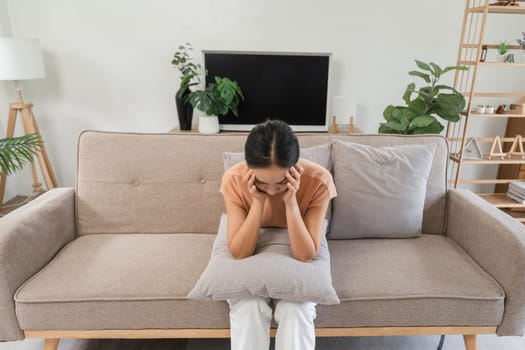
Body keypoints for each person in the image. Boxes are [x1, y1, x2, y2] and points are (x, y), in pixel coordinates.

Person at [219, 119, 337, 350]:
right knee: (248, 306)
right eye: (263, 183)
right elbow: (240, 252)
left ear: (294, 168)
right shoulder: (234, 179)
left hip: (297, 247)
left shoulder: (318, 181)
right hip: (252, 256)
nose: (272, 190)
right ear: (250, 168)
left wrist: (291, 202)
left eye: (281, 181)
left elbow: (305, 255)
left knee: (297, 309)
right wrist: (258, 200)